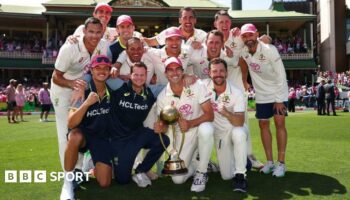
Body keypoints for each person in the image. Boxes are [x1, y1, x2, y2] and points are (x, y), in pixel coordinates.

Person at [50, 17, 108, 199]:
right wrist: (74, 85)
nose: (94, 36)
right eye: (91, 32)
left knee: (84, 128)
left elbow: (103, 68)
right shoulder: (70, 48)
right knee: (66, 132)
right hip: (63, 90)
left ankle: (80, 170)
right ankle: (68, 180)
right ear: (83, 31)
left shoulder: (104, 45)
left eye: (98, 32)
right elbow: (56, 76)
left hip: (83, 89)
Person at [155, 57, 214, 192]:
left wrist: (190, 123)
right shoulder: (162, 97)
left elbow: (210, 115)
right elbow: (163, 124)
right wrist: (160, 127)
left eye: (177, 69)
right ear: (165, 73)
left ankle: (202, 172)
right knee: (177, 179)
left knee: (207, 129)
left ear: (183, 71)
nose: (174, 73)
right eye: (170, 70)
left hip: (199, 127)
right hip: (181, 135)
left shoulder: (197, 86)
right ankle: (199, 162)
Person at [62, 55, 114, 199]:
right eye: (98, 68)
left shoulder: (112, 92)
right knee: (75, 136)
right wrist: (86, 103)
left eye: (105, 68)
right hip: (83, 134)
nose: (102, 71)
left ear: (110, 71)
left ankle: (90, 167)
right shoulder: (81, 90)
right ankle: (67, 182)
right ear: (91, 70)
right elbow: (71, 123)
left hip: (100, 138)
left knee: (104, 183)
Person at [240, 23, 289, 177]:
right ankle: (269, 162)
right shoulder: (243, 51)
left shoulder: (270, 49)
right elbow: (242, 62)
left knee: (279, 123)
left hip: (277, 91)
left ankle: (281, 163)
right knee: (263, 125)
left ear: (256, 34)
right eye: (245, 36)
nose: (248, 38)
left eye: (251, 35)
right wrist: (244, 79)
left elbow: (281, 74)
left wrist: (279, 99)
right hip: (261, 94)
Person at [204, 58, 248, 192]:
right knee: (226, 175)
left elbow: (240, 121)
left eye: (221, 71)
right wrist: (188, 77)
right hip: (219, 134)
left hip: (234, 127)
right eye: (215, 71)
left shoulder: (236, 92)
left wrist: (227, 113)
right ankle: (238, 159)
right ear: (209, 73)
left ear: (227, 73)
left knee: (239, 133)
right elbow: (185, 81)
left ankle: (241, 175)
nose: (218, 74)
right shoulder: (202, 87)